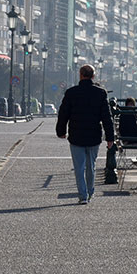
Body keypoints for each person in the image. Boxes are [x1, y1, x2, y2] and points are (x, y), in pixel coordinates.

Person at [56, 64, 114, 204]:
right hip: (94, 135)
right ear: (93, 76)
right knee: (91, 166)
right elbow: (106, 117)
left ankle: (83, 196)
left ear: (80, 75)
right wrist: (110, 137)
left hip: (76, 135)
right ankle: (90, 191)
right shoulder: (100, 93)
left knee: (79, 167)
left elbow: (63, 114)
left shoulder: (71, 93)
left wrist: (61, 131)